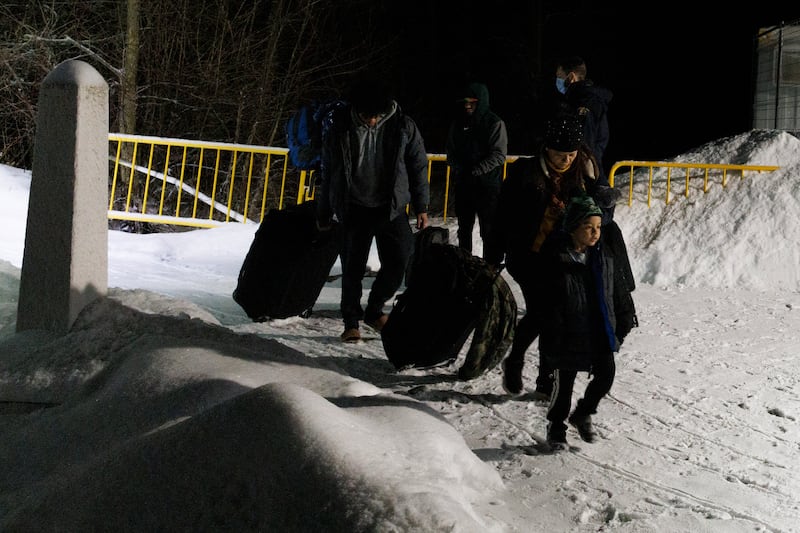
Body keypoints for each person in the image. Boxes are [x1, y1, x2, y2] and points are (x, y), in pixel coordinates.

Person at [487, 112, 599, 398]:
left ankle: (544, 379)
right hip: (527, 255)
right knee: (543, 312)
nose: (566, 160)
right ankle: (518, 361)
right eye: (561, 155)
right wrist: (493, 254)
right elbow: (502, 216)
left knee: (554, 316)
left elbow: (592, 211)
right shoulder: (525, 173)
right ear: (547, 148)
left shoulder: (582, 171)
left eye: (571, 154)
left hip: (559, 257)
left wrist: (603, 202)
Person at [316, 77, 430, 343]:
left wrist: (422, 206)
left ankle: (375, 309)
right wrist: (324, 212)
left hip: (390, 207)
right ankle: (351, 321)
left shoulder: (403, 126)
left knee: (400, 259)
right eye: (367, 115)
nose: (372, 121)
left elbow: (418, 166)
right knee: (352, 267)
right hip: (353, 206)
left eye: (376, 115)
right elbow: (329, 171)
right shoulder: (341, 127)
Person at [537, 194, 635, 451]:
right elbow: (546, 301)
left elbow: (617, 289)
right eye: (588, 227)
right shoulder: (555, 256)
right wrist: (552, 333)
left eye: (598, 227)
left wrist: (624, 317)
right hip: (567, 331)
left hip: (597, 329)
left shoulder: (602, 256)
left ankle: (583, 412)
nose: (595, 233)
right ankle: (556, 428)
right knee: (564, 383)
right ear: (573, 227)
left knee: (606, 374)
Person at [445, 82, 508, 259]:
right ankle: (464, 264)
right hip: (464, 185)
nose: (467, 105)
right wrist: (457, 168)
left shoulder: (494, 123)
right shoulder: (457, 123)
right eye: (465, 101)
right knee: (464, 228)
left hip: (487, 187)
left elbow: (499, 154)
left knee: (488, 230)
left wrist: (476, 170)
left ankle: (490, 267)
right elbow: (450, 150)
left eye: (472, 101)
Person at [554, 56, 613, 182]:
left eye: (559, 76)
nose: (557, 80)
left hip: (586, 176)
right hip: (585, 172)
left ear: (570, 77)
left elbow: (586, 145)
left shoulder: (585, 102)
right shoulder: (578, 99)